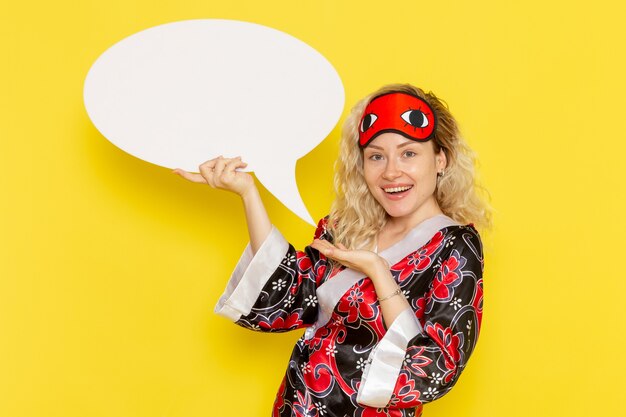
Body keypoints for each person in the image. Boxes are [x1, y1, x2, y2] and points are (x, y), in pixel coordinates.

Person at [173, 83, 492, 417]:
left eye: (408, 153)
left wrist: (378, 271)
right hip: (295, 406)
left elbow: (436, 365)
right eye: (376, 156)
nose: (391, 171)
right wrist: (248, 193)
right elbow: (291, 297)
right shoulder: (348, 228)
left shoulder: (455, 245)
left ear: (441, 159)